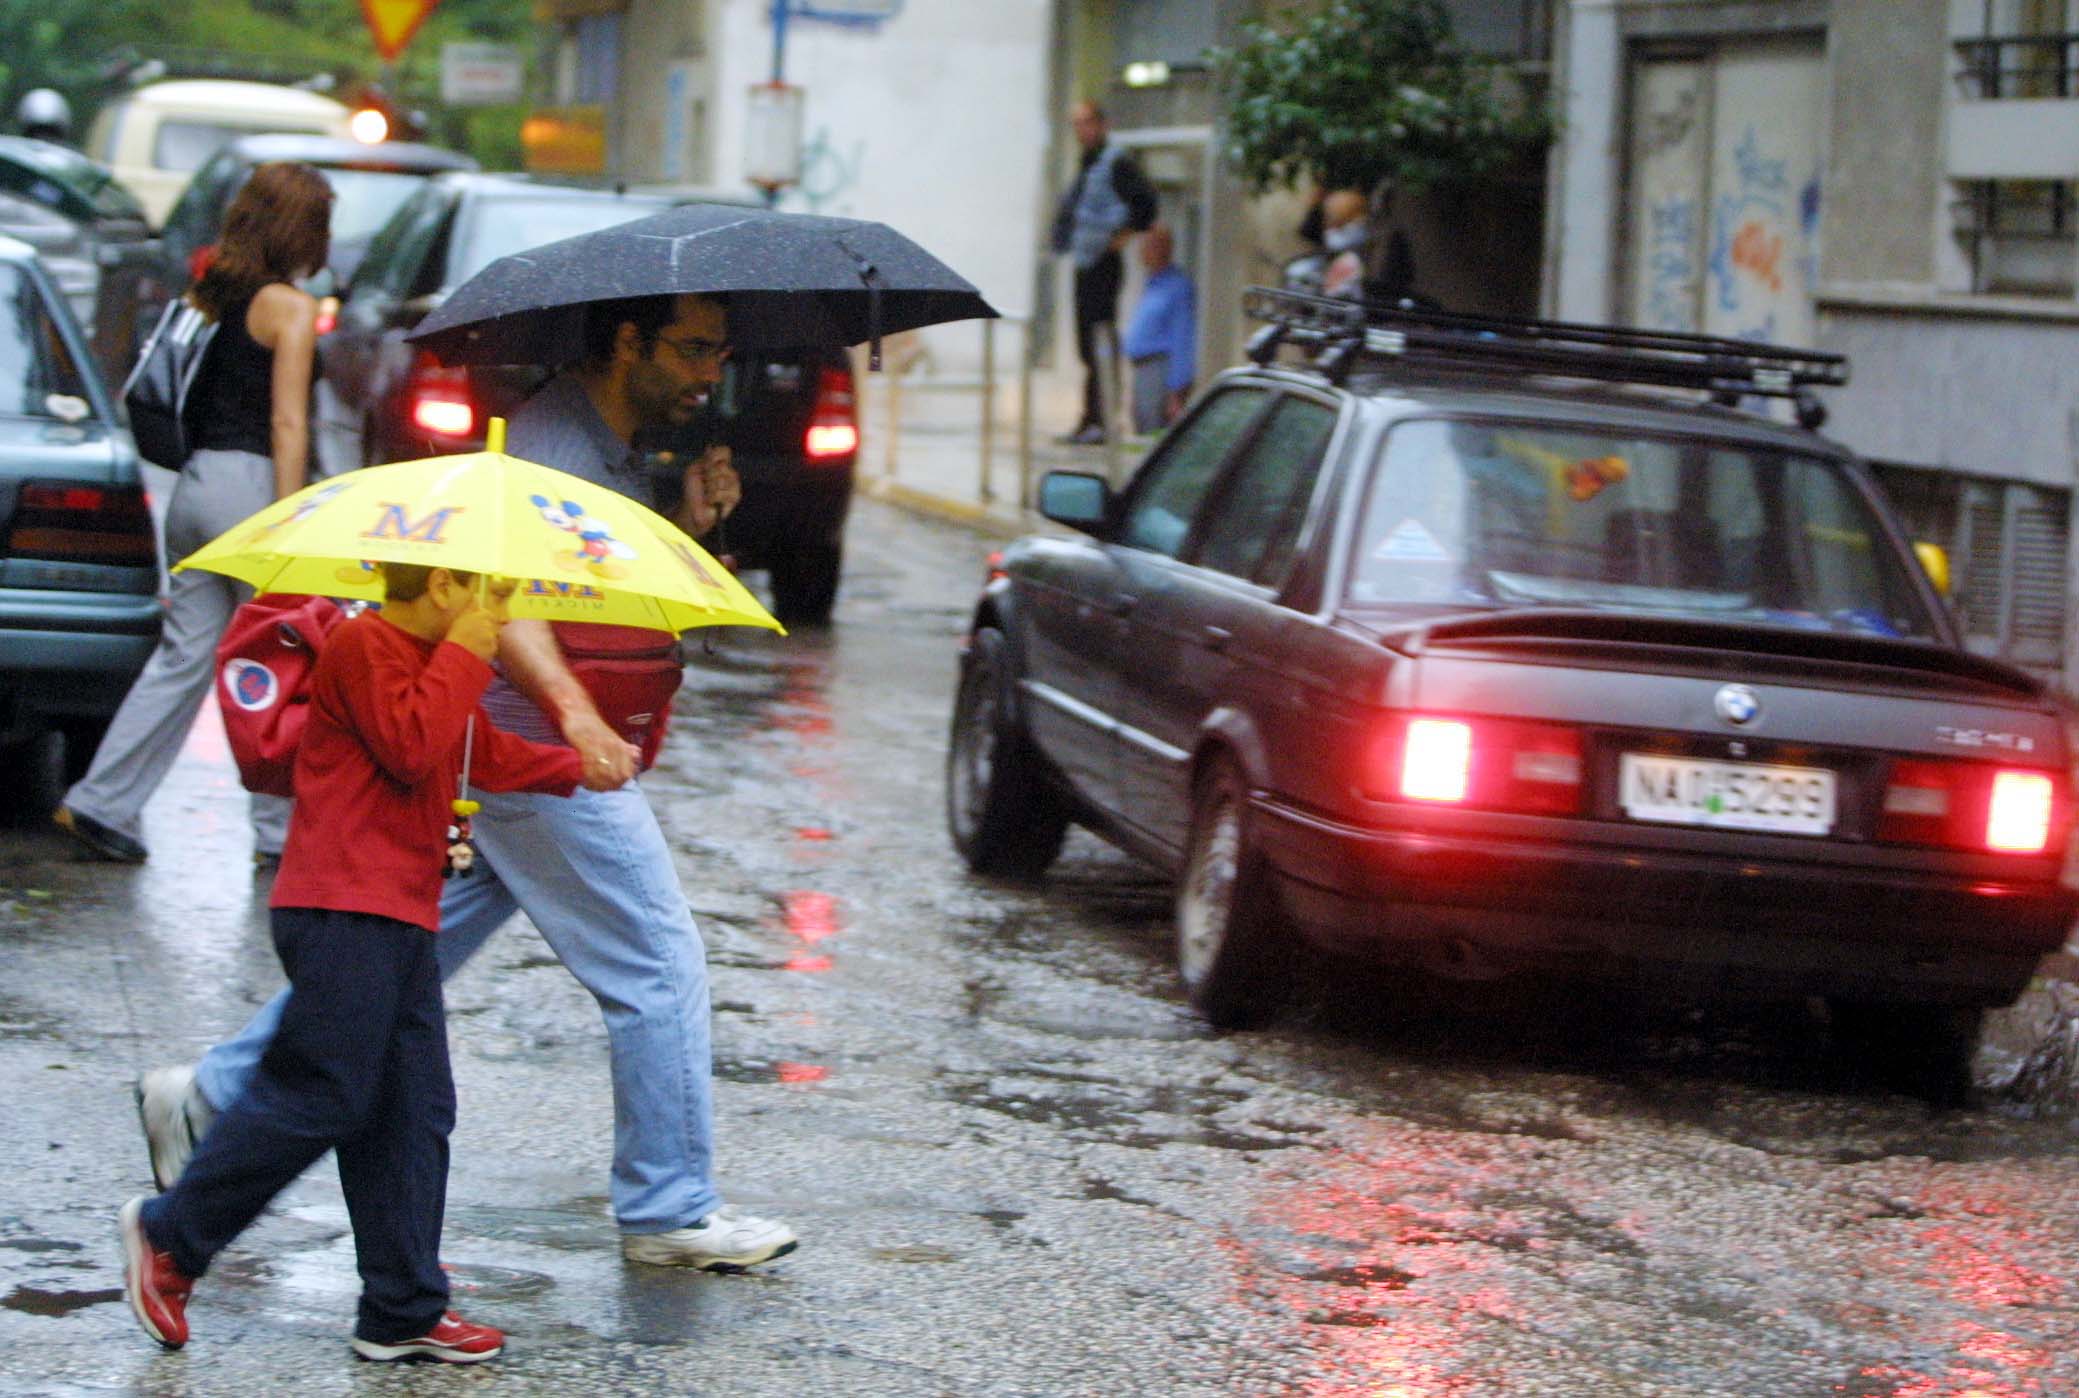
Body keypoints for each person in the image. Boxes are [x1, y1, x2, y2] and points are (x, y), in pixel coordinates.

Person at [136, 291, 800, 1273]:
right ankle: (670, 1205)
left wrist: (687, 521)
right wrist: (574, 717)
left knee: (410, 956)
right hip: (527, 752)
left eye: (719, 352)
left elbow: (583, 583)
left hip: (492, 753)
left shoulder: (611, 442)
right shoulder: (551, 443)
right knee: (658, 964)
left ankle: (214, 1093)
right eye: (695, 348)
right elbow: (505, 598)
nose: (710, 372)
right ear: (628, 341)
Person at [120, 563, 612, 1361]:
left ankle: (402, 1305)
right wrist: (468, 650)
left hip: (397, 916)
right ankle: (171, 1237)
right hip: (342, 910)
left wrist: (577, 765)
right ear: (444, 588)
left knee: (411, 1111)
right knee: (320, 1094)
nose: (505, 610)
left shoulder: (427, 664)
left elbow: (468, 750)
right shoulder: (362, 643)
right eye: (492, 592)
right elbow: (412, 746)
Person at [55, 162, 333, 865]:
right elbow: (289, 424)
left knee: (182, 661)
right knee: (279, 661)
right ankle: (279, 835)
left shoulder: (209, 294)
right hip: (252, 490)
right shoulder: (289, 307)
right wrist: (290, 520)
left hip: (196, 485)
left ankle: (100, 802)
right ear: (303, 228)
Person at [1049, 100, 1156, 445]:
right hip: (1085, 261)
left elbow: (1146, 205)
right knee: (1086, 344)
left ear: (1102, 124)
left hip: (1102, 263)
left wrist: (1120, 238)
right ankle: (1091, 416)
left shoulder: (1116, 161)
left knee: (1100, 341)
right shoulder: (1088, 163)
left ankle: (1104, 418)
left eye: (1086, 123)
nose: (1081, 130)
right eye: (1076, 124)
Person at [1121, 222, 1196, 435]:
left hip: (1159, 369)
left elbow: (1183, 338)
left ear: (1164, 249)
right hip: (1142, 369)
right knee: (1140, 426)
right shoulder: (1152, 283)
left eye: (1148, 245)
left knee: (1152, 435)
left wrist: (1176, 390)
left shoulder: (1177, 286)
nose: (1142, 251)